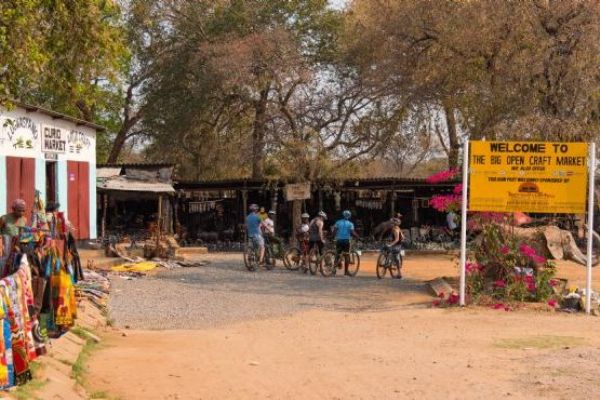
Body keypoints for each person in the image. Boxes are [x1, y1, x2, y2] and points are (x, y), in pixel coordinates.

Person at [331, 210, 360, 276]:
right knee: (347, 255)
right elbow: (352, 232)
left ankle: (333, 271)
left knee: (337, 255)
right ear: (349, 216)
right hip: (346, 241)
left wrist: (332, 237)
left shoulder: (338, 222)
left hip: (338, 240)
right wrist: (358, 237)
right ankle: (346, 272)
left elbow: (334, 231)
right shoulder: (350, 224)